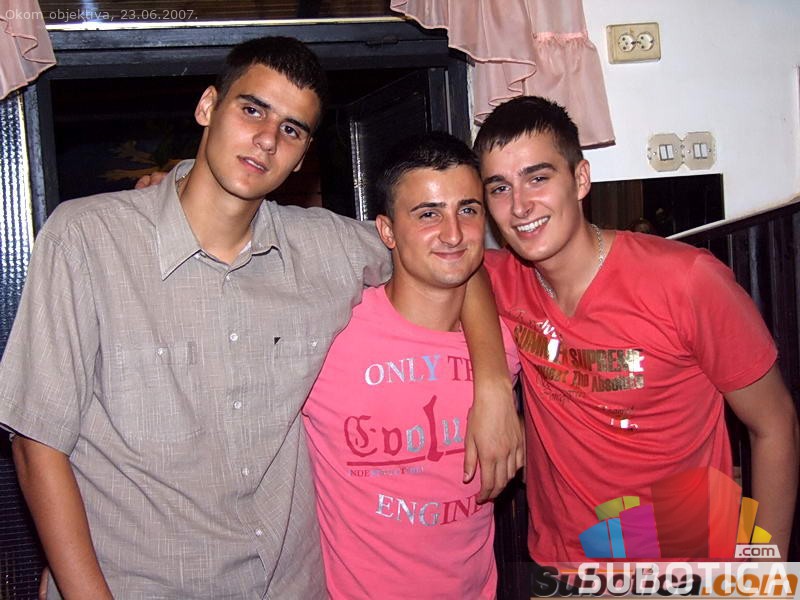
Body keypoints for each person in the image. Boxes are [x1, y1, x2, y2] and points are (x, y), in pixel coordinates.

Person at [0, 37, 521, 599]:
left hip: (289, 586)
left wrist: (492, 382)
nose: (268, 138)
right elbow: (37, 443)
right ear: (208, 107)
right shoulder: (88, 239)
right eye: (252, 109)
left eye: (292, 129)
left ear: (303, 153)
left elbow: (449, 257)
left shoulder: (325, 248)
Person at [474, 96, 799, 565]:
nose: (520, 206)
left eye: (538, 178)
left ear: (580, 179)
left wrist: (763, 576)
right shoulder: (499, 280)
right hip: (565, 567)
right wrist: (491, 387)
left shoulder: (686, 281)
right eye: (500, 188)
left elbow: (775, 424)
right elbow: (430, 267)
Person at [302, 132, 519, 599]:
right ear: (386, 232)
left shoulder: (502, 347)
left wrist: (496, 382)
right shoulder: (331, 335)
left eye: (468, 210)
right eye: (428, 214)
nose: (453, 234)